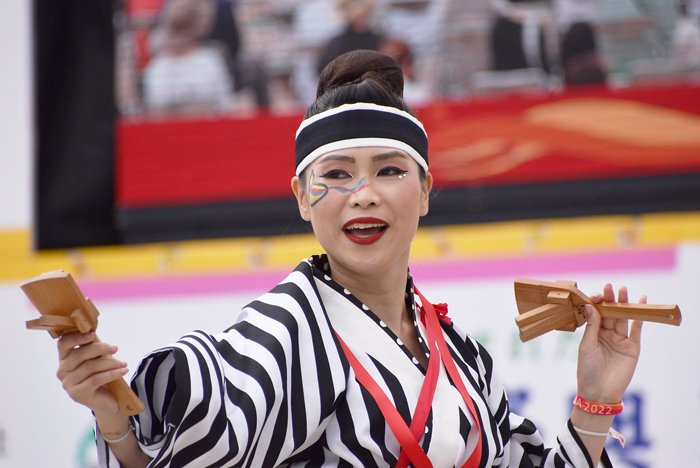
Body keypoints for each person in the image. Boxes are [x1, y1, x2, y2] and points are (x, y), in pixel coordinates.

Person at [57, 50, 645, 468]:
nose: (363, 193)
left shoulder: (462, 355)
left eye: (389, 171)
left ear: (425, 190)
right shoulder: (280, 334)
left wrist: (595, 396)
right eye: (336, 175)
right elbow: (194, 444)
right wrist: (117, 422)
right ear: (302, 198)